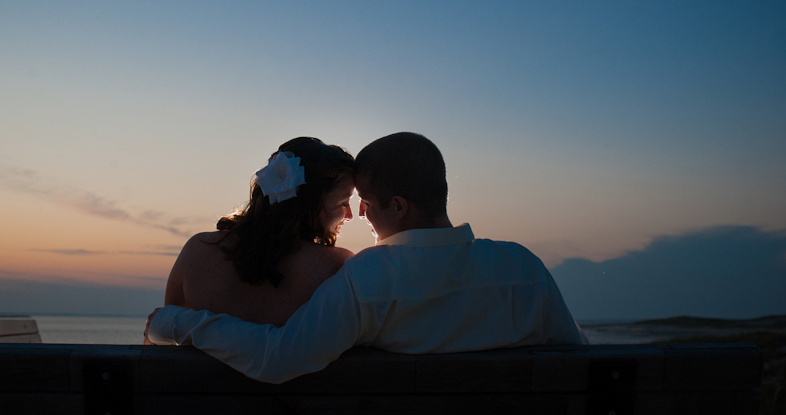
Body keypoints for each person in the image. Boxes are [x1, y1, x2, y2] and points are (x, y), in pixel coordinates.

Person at [145, 132, 585, 382]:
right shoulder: (524, 268)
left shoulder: (368, 277)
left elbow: (277, 358)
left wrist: (174, 322)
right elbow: (579, 363)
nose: (359, 214)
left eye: (367, 203)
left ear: (398, 206)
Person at [156, 137, 355, 331]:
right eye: (344, 203)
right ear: (310, 203)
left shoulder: (197, 250)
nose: (350, 215)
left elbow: (162, 332)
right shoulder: (337, 267)